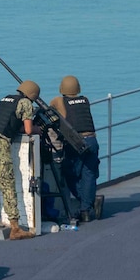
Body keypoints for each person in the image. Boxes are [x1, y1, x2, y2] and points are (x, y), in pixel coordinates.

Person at [0, 81, 40, 239]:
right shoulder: (26, 103)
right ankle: (15, 227)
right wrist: (39, 129)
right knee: (7, 183)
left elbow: (9, 123)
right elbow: (28, 129)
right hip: (0, 143)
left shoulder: (6, 99)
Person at [50, 75, 101, 224]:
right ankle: (86, 209)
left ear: (62, 88)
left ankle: (87, 202)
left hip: (75, 143)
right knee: (89, 174)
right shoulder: (85, 100)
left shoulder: (59, 101)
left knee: (70, 174)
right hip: (92, 141)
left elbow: (48, 110)